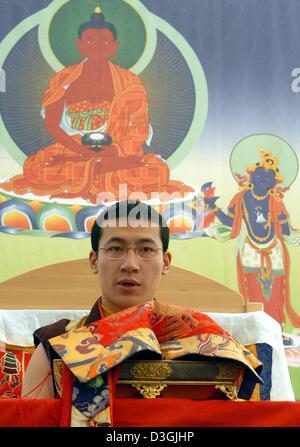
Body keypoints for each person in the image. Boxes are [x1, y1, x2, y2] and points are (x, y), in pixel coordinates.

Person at [22, 200, 262, 427]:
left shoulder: (206, 340)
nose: (130, 264)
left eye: (146, 249)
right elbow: (28, 421)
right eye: (116, 248)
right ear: (94, 260)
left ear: (166, 262)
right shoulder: (56, 343)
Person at [0, 8, 193, 203]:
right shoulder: (63, 79)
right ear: (80, 45)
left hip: (117, 152)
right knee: (35, 167)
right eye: (90, 42)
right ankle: (100, 172)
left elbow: (139, 130)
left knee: (157, 170)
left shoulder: (130, 83)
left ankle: (91, 173)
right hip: (73, 149)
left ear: (114, 46)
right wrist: (78, 149)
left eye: (105, 42)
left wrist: (115, 151)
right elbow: (52, 125)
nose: (97, 47)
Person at [204, 147, 300, 327]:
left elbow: (285, 231)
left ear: (274, 183)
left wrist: (282, 222)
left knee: (277, 291)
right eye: (261, 176)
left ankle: (275, 328)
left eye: (269, 178)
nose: (265, 180)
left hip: (274, 251)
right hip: (250, 249)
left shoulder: (276, 202)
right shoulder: (241, 199)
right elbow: (231, 223)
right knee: (252, 290)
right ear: (253, 177)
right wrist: (213, 207)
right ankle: (255, 327)